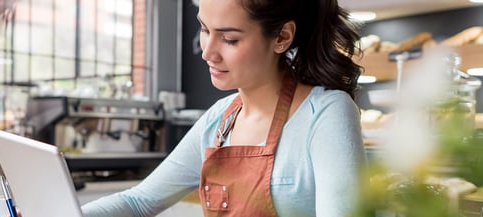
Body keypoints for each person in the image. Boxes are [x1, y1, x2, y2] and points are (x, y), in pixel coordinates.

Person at [82, 0, 365, 216]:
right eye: (205, 29)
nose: (207, 52)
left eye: (230, 39)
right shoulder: (219, 118)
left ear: (282, 37)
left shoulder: (326, 112)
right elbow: (138, 201)